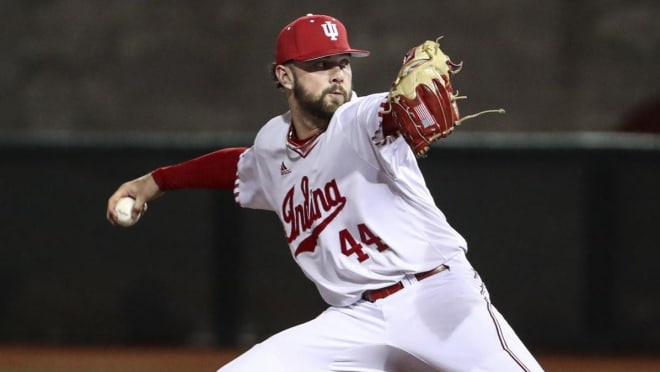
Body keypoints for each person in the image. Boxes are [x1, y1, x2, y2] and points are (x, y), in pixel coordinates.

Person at [107, 13, 543, 371]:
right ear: (285, 75)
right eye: (319, 65)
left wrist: (399, 113)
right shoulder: (272, 144)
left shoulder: (361, 118)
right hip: (357, 321)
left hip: (438, 298)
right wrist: (152, 183)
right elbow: (235, 166)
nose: (337, 74)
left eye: (343, 62)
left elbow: (387, 116)